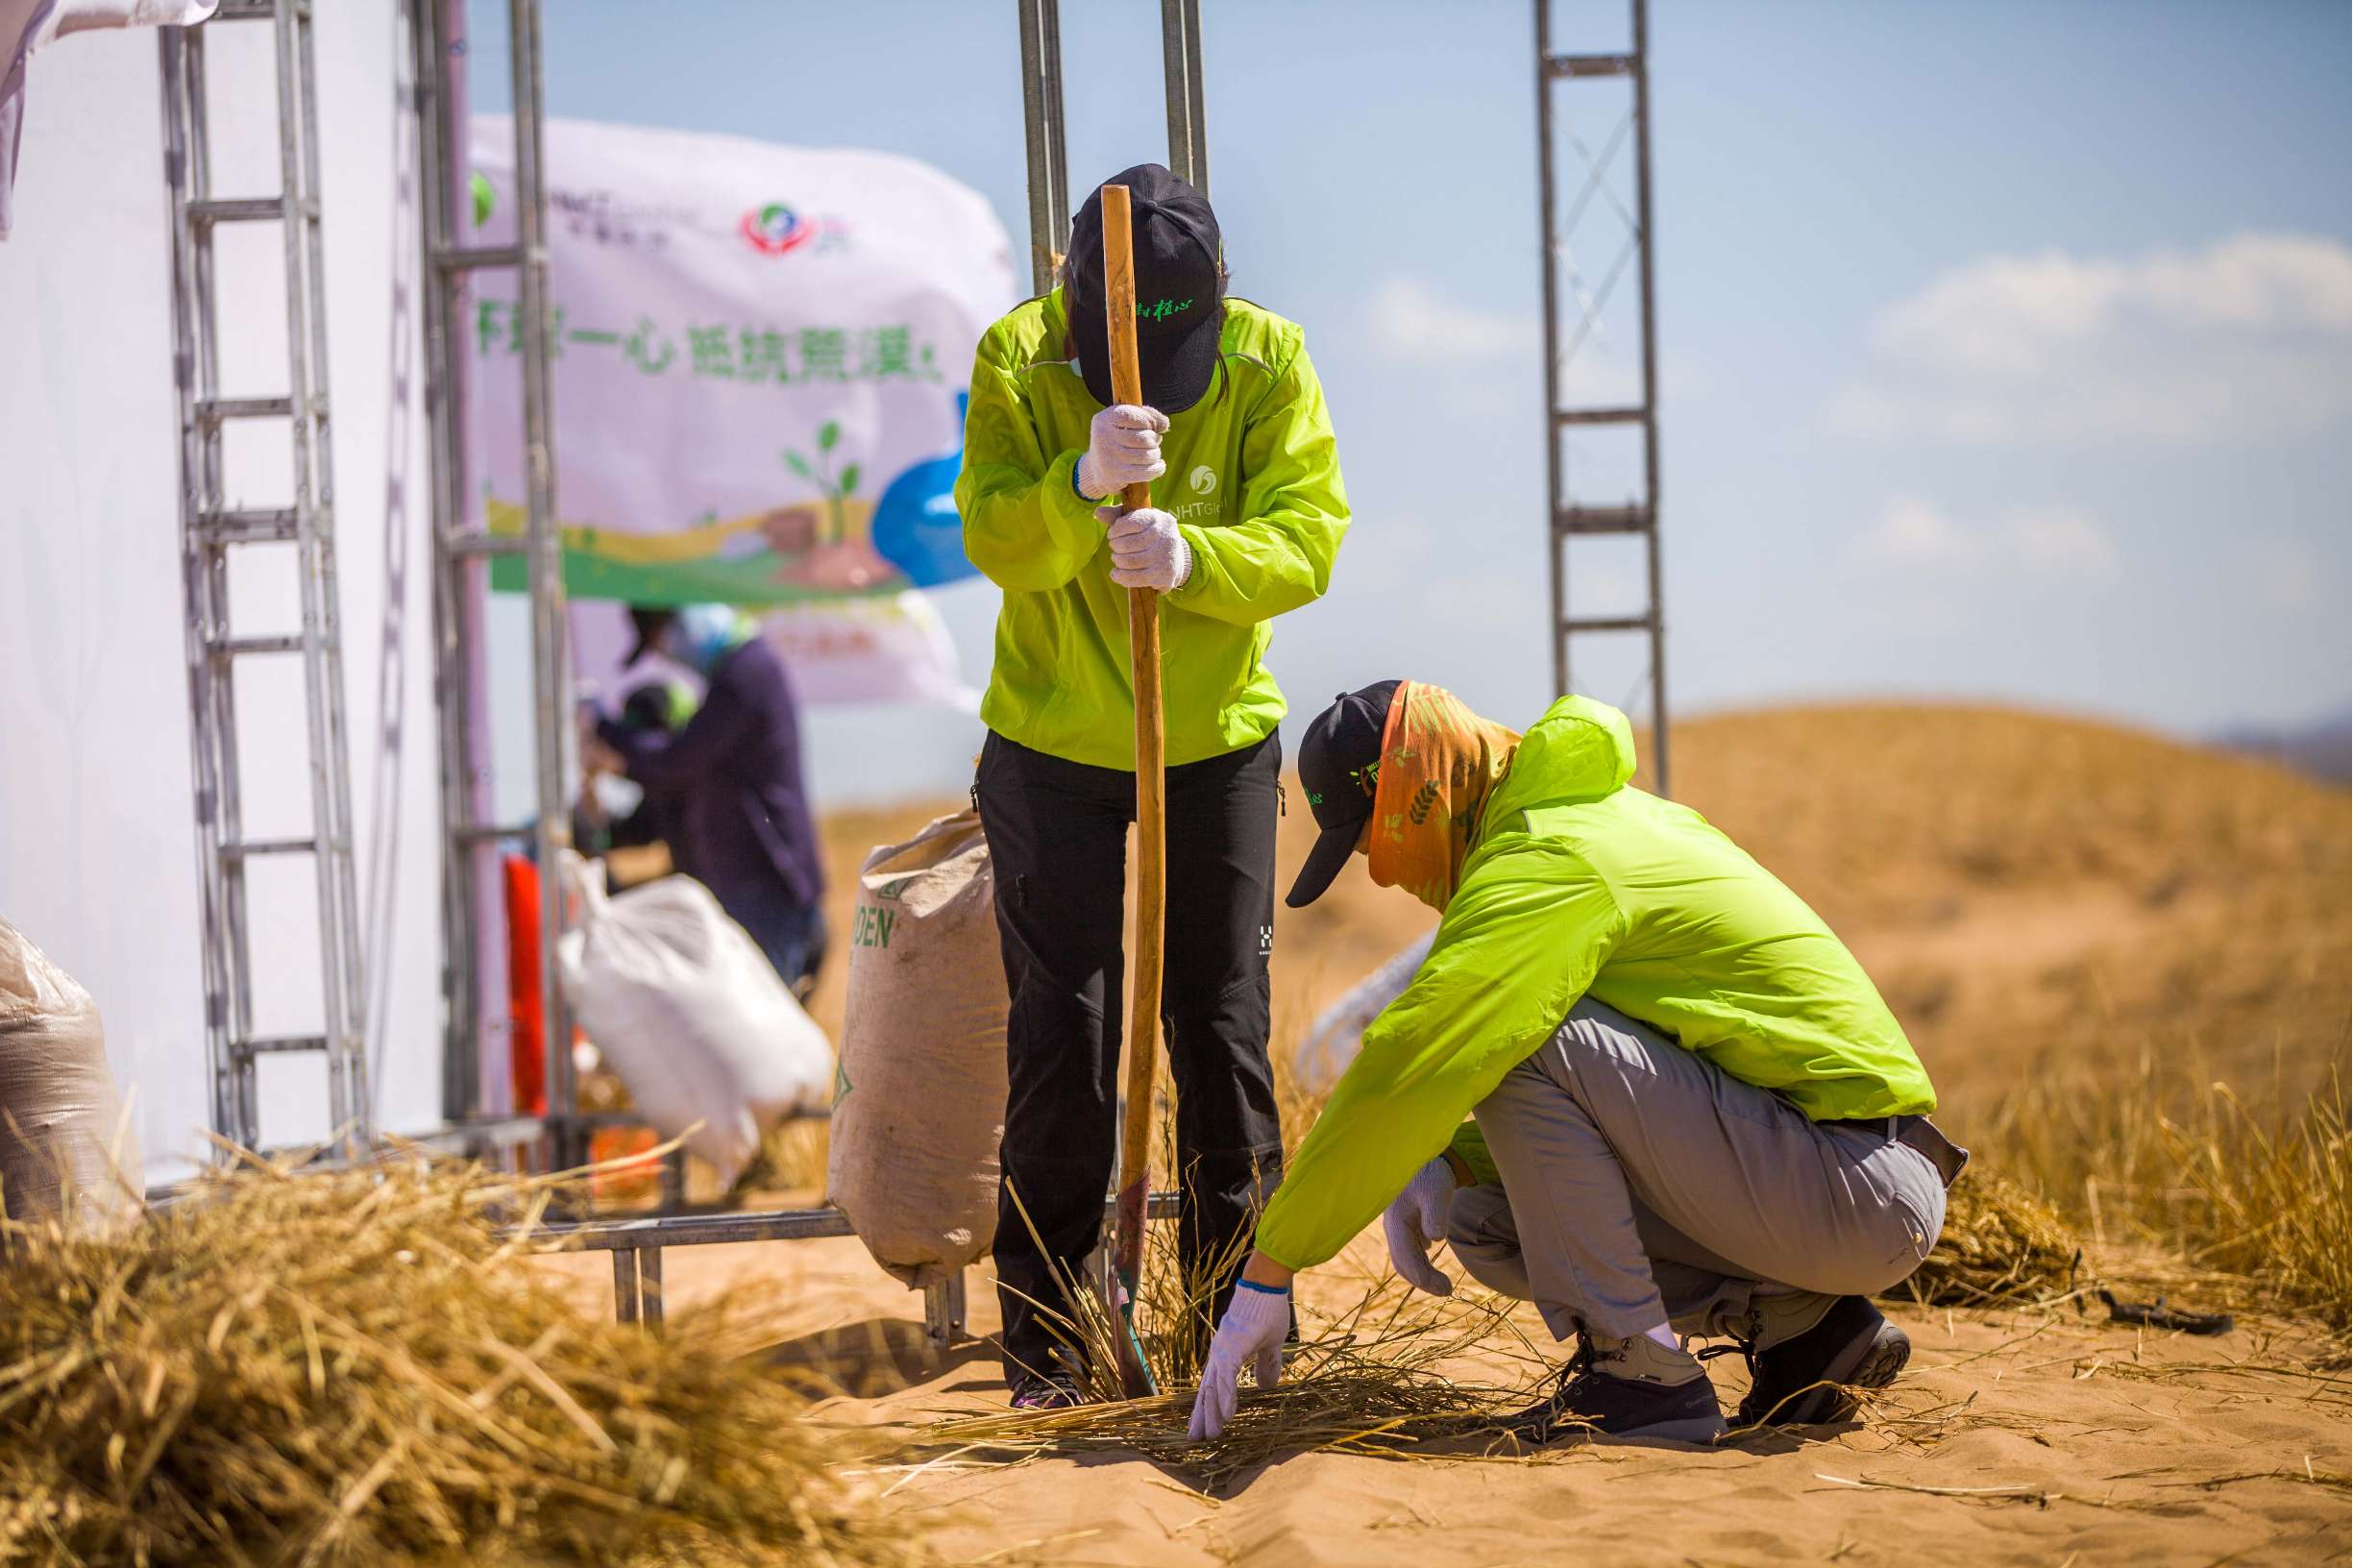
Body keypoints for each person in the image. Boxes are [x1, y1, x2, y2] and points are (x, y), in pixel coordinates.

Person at [1188, 681, 1967, 1444]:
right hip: (1831, 1176)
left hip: (1850, 1182)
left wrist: (1273, 1261)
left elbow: (1424, 1053)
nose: (1383, 871)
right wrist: (1453, 1162)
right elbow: (1642, 1089)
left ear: (1414, 790)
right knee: (1485, 1222)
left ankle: (1639, 1379)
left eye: (1371, 839)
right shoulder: (1582, 819)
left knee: (1513, 1038)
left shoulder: (1551, 852)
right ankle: (1807, 1332)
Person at [955, 162, 1350, 1408]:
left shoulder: (1270, 360)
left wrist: (1198, 555)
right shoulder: (1019, 356)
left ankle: (1236, 1325)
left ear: (1220, 301)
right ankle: (1048, 1345)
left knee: (1219, 1027)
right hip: (1052, 743)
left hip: (1214, 739)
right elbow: (990, 533)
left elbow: (1309, 535)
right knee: (1062, 1036)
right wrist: (1072, 488)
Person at [581, 604, 828, 1000]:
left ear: (686, 617)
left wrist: (605, 732)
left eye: (663, 637)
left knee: (758, 1017)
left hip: (764, 882)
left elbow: (675, 763)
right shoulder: (739, 675)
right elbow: (657, 800)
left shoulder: (744, 675)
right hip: (752, 882)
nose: (666, 654)